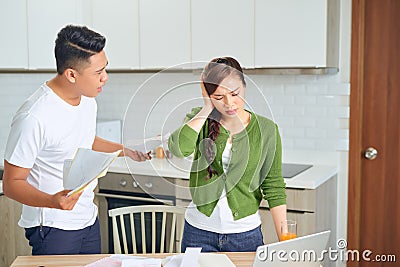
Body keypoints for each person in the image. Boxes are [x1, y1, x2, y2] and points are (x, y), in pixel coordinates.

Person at [2, 25, 150, 255]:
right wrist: (53, 201)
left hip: (87, 219)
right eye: (98, 72)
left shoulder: (88, 100)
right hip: (53, 226)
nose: (105, 77)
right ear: (71, 74)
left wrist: (126, 150)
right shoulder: (34, 116)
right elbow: (11, 184)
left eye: (105, 68)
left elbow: (85, 140)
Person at [168, 57, 287, 252]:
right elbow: (178, 149)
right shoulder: (201, 119)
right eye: (218, 97)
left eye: (234, 94)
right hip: (198, 232)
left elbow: (274, 186)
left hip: (245, 236)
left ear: (244, 86)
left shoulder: (266, 130)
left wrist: (286, 241)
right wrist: (207, 108)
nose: (229, 103)